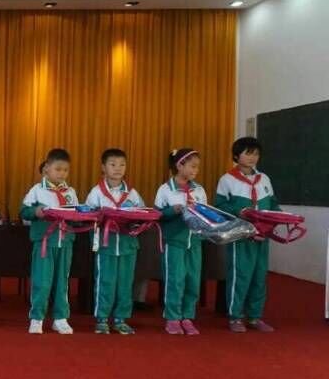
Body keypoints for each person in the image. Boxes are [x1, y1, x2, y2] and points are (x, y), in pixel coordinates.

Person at [215, 137, 279, 333]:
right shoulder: (227, 180)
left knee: (259, 276)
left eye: (256, 154)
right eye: (248, 153)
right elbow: (220, 206)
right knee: (240, 276)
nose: (253, 158)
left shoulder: (264, 179)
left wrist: (280, 217)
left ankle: (254, 316)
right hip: (241, 236)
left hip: (263, 235)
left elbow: (273, 203)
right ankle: (235, 317)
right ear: (236, 156)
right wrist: (239, 211)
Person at [84, 149, 145, 335]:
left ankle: (120, 319)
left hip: (127, 245)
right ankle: (102, 318)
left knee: (125, 283)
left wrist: (135, 221)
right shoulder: (96, 192)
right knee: (105, 281)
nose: (118, 168)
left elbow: (142, 214)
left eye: (122, 164)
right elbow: (88, 217)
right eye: (113, 164)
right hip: (106, 246)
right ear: (103, 167)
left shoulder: (132, 193)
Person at [20, 148, 79, 335]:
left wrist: (80, 215)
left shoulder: (70, 192)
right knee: (42, 281)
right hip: (45, 243)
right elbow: (24, 212)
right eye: (58, 169)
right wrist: (36, 212)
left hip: (65, 243)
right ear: (47, 168)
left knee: (62, 283)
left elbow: (76, 214)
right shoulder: (37, 191)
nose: (62, 174)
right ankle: (37, 318)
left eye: (65, 170)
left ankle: (60, 319)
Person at [155, 148, 207, 336]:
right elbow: (157, 215)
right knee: (175, 280)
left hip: (195, 242)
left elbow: (205, 214)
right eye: (192, 166)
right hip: (174, 242)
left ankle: (187, 317)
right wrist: (173, 210)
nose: (195, 170)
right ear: (179, 166)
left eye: (197, 167)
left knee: (193, 281)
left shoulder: (199, 190)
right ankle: (172, 317)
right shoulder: (165, 189)